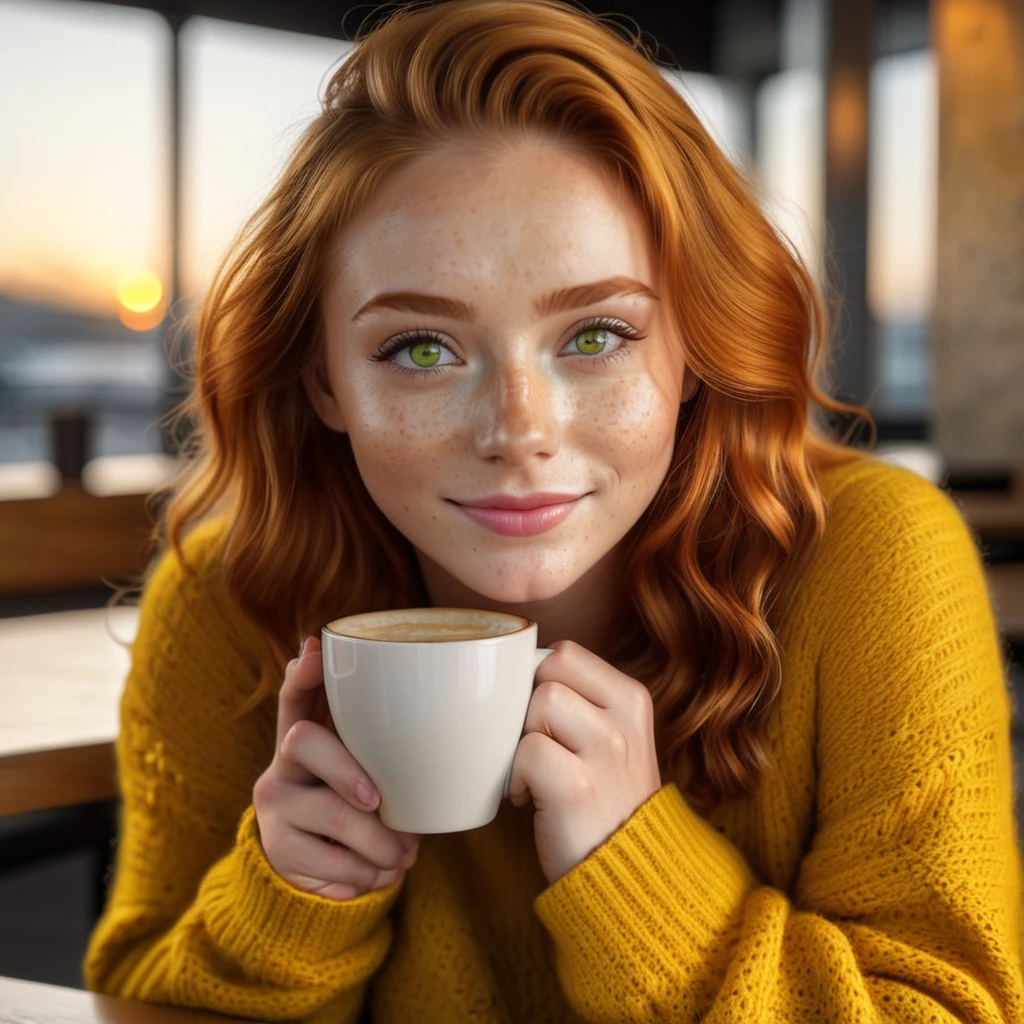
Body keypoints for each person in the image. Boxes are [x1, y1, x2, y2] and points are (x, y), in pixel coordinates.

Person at [84, 1, 1023, 1020]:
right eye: (420, 349)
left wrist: (637, 868)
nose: (517, 431)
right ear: (324, 385)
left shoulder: (872, 563)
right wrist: (290, 899)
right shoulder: (234, 595)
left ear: (692, 351)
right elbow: (136, 993)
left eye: (596, 334)